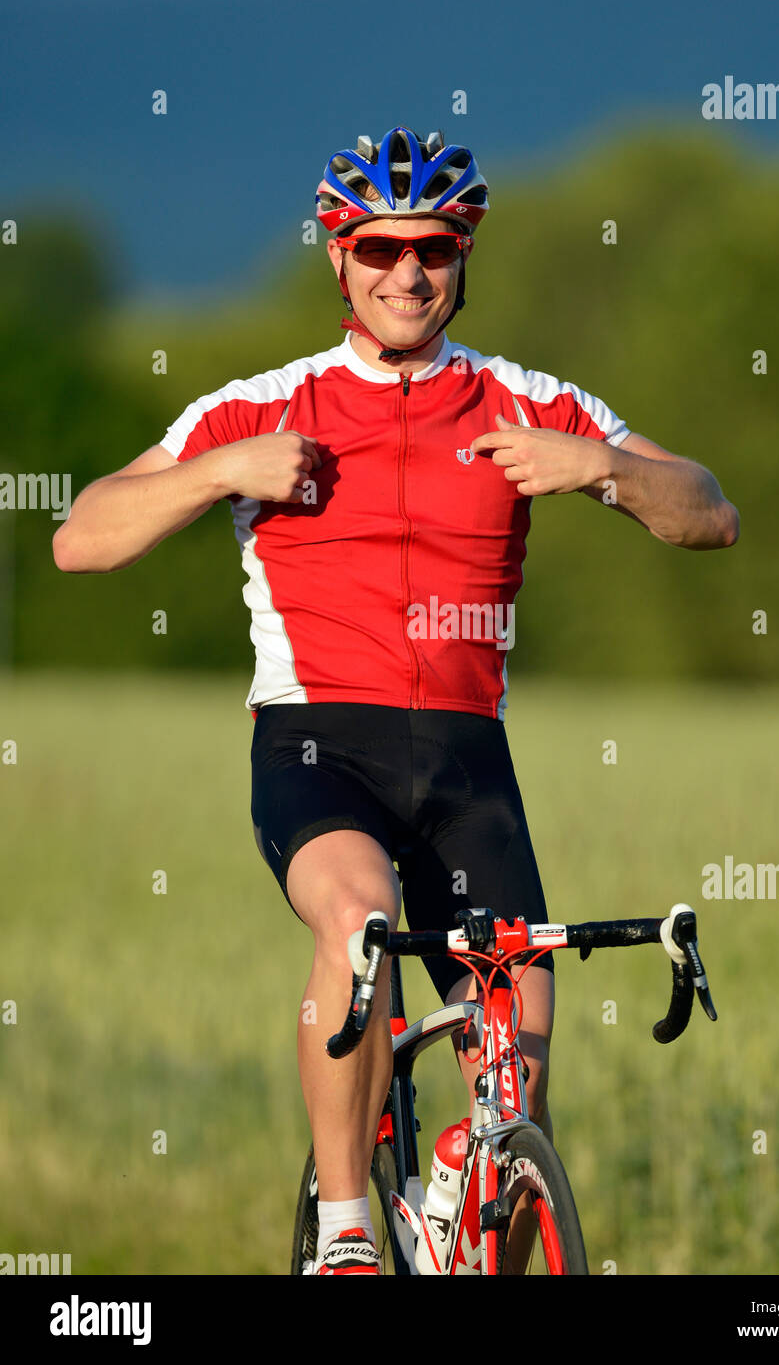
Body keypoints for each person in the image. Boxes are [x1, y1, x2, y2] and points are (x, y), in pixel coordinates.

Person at [53, 124, 739, 1276]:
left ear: (464, 253)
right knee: (359, 920)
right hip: (320, 747)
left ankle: (465, 1198)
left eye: (433, 245)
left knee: (517, 1094)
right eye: (379, 248)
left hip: (470, 765)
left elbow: (710, 509)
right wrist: (226, 471)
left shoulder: (527, 400)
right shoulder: (264, 402)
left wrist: (603, 471)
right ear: (339, 257)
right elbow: (80, 539)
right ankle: (346, 1228)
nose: (407, 272)